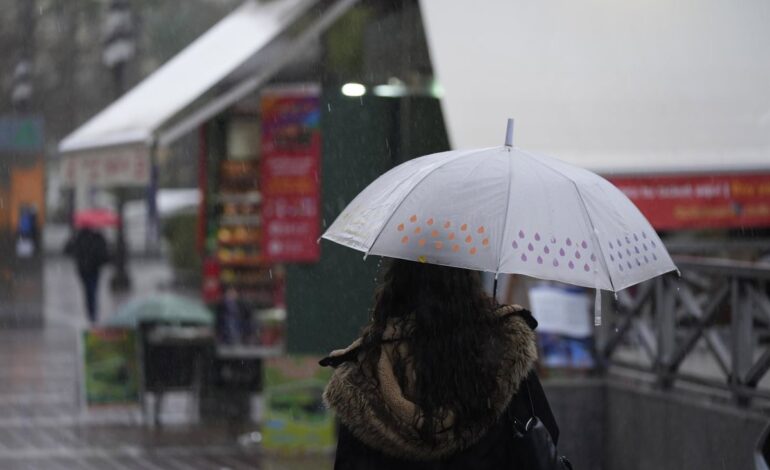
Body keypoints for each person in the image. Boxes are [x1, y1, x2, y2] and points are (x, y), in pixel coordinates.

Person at [320, 259, 562, 469]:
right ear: (469, 285)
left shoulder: (365, 374)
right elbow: (544, 439)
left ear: (396, 286)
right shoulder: (504, 355)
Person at [65, 226, 110, 324]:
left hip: (85, 269)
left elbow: (68, 250)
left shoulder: (79, 237)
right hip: (92, 268)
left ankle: (91, 311)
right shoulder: (96, 236)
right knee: (92, 289)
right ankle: (92, 311)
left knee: (88, 290)